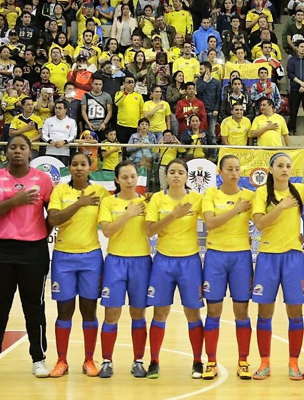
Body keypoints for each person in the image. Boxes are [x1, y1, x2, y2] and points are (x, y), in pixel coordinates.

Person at [0, 135, 54, 379]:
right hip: (1, 250)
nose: (18, 151)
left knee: (34, 306)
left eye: (23, 147)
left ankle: (38, 359)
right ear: (6, 152)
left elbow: (52, 215)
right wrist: (15, 201)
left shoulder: (43, 179)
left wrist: (39, 234)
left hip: (34, 251)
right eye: (13, 147)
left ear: (30, 152)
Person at [46, 153, 111, 377]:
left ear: (90, 167)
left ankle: (89, 360)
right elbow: (53, 219)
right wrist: (80, 203)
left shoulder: (101, 193)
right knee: (64, 311)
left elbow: (119, 204)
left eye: (83, 164)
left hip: (91, 257)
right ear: (69, 168)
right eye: (75, 164)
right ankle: (61, 360)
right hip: (63, 257)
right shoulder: (60, 191)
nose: (79, 168)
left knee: (89, 311)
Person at [250, 152, 304, 380]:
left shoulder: (302, 191)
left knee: (295, 312)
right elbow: (260, 224)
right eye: (280, 165)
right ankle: (264, 363)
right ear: (271, 169)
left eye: (288, 166)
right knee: (264, 313)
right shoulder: (262, 193)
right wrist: (281, 207)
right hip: (267, 257)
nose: (285, 169)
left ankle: (293, 363)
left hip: (293, 257)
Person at [145, 159, 205, 379]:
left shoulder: (197, 199)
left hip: (189, 261)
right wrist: (173, 215)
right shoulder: (157, 199)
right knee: (160, 312)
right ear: (166, 176)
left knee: (193, 313)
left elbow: (213, 221)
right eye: (172, 172)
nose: (176, 176)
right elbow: (149, 231)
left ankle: (198, 360)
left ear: (187, 176)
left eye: (181, 172)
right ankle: (154, 360)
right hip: (163, 261)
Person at [201, 155, 255, 379]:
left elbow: (264, 219)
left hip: (241, 257)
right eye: (229, 169)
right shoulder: (211, 194)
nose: (234, 173)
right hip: (215, 257)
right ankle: (211, 361)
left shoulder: (250, 196)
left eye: (237, 169)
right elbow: (210, 223)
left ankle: (243, 361)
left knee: (241, 312)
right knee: (213, 311)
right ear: (220, 173)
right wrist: (237, 210)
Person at [97, 161, 151, 378]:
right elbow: (108, 231)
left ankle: (138, 360)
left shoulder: (147, 203)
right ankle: (107, 361)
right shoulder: (109, 202)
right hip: (116, 262)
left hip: (141, 262)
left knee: (138, 314)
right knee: (111, 314)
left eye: (133, 176)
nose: (130, 181)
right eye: (125, 177)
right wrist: (128, 213)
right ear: (117, 180)